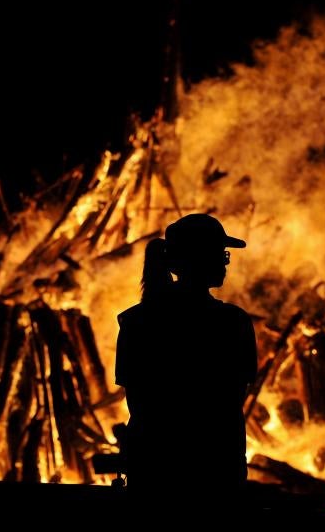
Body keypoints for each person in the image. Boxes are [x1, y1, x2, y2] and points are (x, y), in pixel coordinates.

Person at [115, 213, 258, 504]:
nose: (225, 262)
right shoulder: (232, 324)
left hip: (154, 472)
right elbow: (232, 397)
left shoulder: (136, 321)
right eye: (221, 254)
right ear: (201, 259)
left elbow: (138, 399)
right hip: (216, 472)